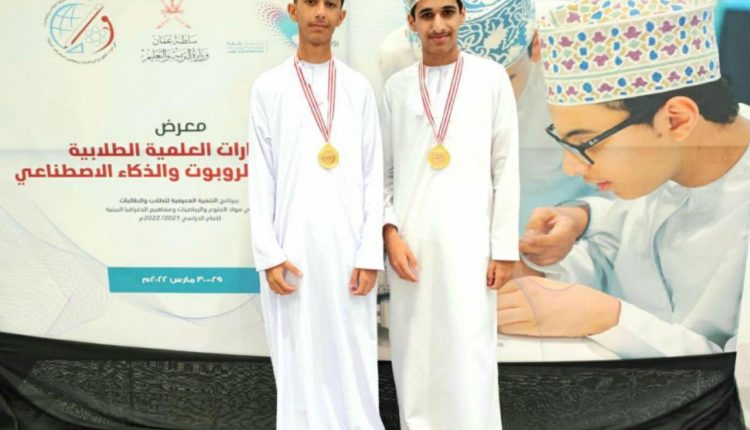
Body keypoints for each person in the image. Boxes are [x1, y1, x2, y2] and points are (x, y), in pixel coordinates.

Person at [500, 0, 750, 359]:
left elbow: (742, 379)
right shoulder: (669, 164)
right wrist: (543, 264)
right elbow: (624, 257)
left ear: (677, 120)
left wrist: (609, 319)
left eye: (587, 143)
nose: (571, 168)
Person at [382, 0, 519, 427]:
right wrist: (390, 234)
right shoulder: (397, 87)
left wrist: (503, 248)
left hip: (472, 244)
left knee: (469, 351)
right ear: (412, 22)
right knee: (416, 355)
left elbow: (505, 165)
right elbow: (383, 172)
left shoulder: (490, 78)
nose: (438, 24)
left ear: (462, 15)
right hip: (412, 247)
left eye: (446, 12)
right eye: (427, 15)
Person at [248, 0, 385, 428]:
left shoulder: (358, 88)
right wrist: (269, 253)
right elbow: (260, 175)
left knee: (353, 356)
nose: (320, 12)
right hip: (292, 250)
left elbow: (373, 173)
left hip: (350, 249)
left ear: (342, 16)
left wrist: (369, 253)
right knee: (298, 358)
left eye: (330, 4)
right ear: (293, 11)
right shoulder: (268, 88)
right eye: (311, 2)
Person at [378, 0, 596, 231]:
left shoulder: (577, 72)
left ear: (535, 46)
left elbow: (616, 200)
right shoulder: (399, 62)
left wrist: (577, 218)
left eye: (505, 80)